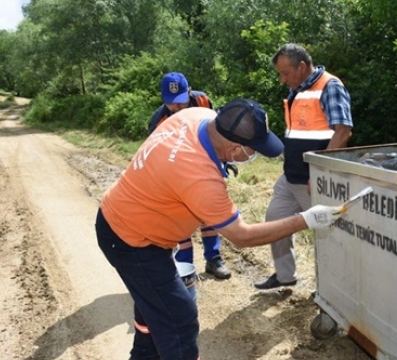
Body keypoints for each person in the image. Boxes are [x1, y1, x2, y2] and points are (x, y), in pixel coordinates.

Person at [95, 98, 344, 360]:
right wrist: (306, 219)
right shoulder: (198, 175)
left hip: (121, 216)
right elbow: (242, 236)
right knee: (180, 320)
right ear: (235, 147)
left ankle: (143, 355)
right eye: (254, 149)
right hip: (132, 242)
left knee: (155, 310)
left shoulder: (195, 116)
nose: (255, 155)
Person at [254, 43, 353, 290]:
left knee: (331, 236)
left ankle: (333, 291)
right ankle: (285, 276)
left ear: (302, 66)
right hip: (291, 178)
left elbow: (343, 132)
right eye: (280, 73)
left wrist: (321, 173)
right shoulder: (297, 89)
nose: (282, 79)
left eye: (285, 73)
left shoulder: (330, 86)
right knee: (274, 223)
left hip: (314, 181)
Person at [149, 72, 232, 280]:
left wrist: (225, 160)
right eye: (171, 104)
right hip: (176, 171)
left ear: (189, 91)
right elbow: (154, 157)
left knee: (209, 213)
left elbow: (218, 131)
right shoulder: (158, 122)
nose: (177, 108)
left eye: (180, 102)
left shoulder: (203, 101)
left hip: (205, 162)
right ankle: (184, 265)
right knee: (182, 217)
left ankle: (214, 259)